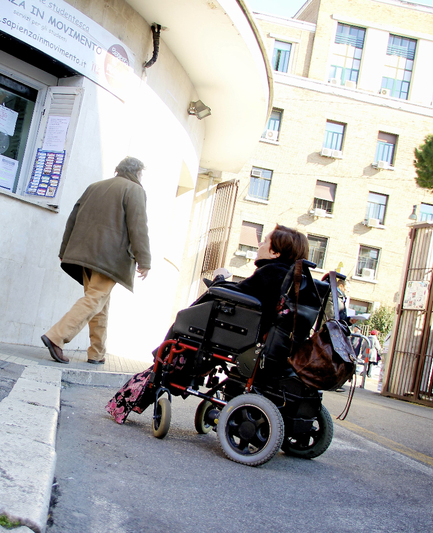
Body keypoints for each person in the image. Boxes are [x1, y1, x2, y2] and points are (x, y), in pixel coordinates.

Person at [107, 224, 308, 424]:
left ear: (274, 252)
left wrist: (218, 280)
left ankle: (154, 378)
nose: (259, 245)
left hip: (234, 336)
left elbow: (238, 294)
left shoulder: (272, 272)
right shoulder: (292, 278)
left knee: (184, 325)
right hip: (260, 340)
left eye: (264, 242)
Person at [41, 156, 151, 365]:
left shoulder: (94, 187)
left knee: (99, 302)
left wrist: (65, 249)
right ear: (137, 173)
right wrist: (144, 260)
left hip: (84, 254)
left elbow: (72, 218)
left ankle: (97, 353)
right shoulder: (134, 189)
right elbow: (138, 226)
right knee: (95, 299)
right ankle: (56, 336)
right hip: (109, 258)